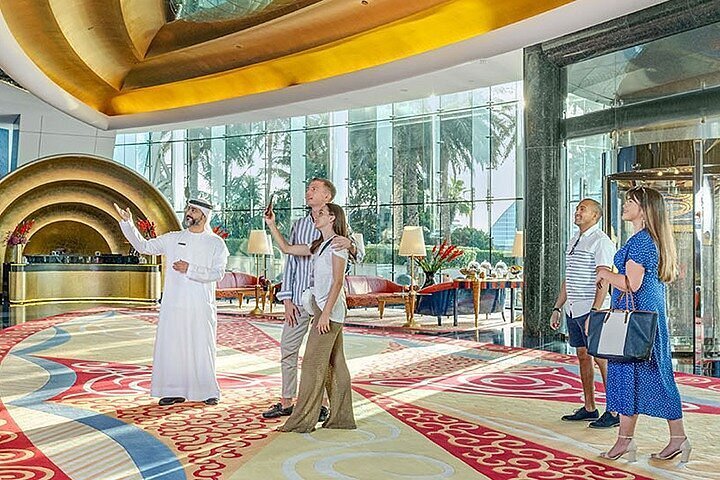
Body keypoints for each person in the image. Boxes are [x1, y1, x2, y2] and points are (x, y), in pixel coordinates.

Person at [595, 186, 689, 462]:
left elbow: (630, 284)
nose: (625, 205)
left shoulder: (640, 242)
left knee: (630, 375)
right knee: (654, 376)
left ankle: (631, 441)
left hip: (634, 320)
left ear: (644, 210)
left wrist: (605, 274)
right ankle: (674, 439)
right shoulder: (650, 239)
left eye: (630, 202)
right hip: (648, 317)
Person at [262, 178, 363, 421]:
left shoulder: (339, 226)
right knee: (289, 349)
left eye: (314, 189)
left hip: (325, 303)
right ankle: (287, 401)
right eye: (308, 188)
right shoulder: (304, 228)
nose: (308, 192)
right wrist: (286, 297)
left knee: (324, 357)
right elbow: (289, 257)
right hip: (299, 298)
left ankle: (323, 406)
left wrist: (351, 245)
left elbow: (353, 261)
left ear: (327, 197)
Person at [113, 199, 229, 406]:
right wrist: (128, 223)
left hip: (200, 306)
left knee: (202, 346)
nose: (188, 213)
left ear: (204, 215)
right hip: (173, 305)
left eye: (193, 210)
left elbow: (218, 273)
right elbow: (144, 246)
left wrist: (190, 269)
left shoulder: (216, 243)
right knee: (173, 347)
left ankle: (206, 389)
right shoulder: (174, 238)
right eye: (188, 209)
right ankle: (173, 389)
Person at [550, 199, 619, 428]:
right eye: (577, 208)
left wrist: (595, 312)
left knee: (602, 359)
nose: (577, 212)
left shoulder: (601, 242)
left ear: (596, 216)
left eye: (583, 209)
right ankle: (590, 407)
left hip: (592, 308)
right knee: (582, 355)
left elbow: (604, 280)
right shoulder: (574, 241)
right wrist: (557, 307)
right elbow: (569, 278)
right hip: (573, 308)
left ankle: (615, 411)